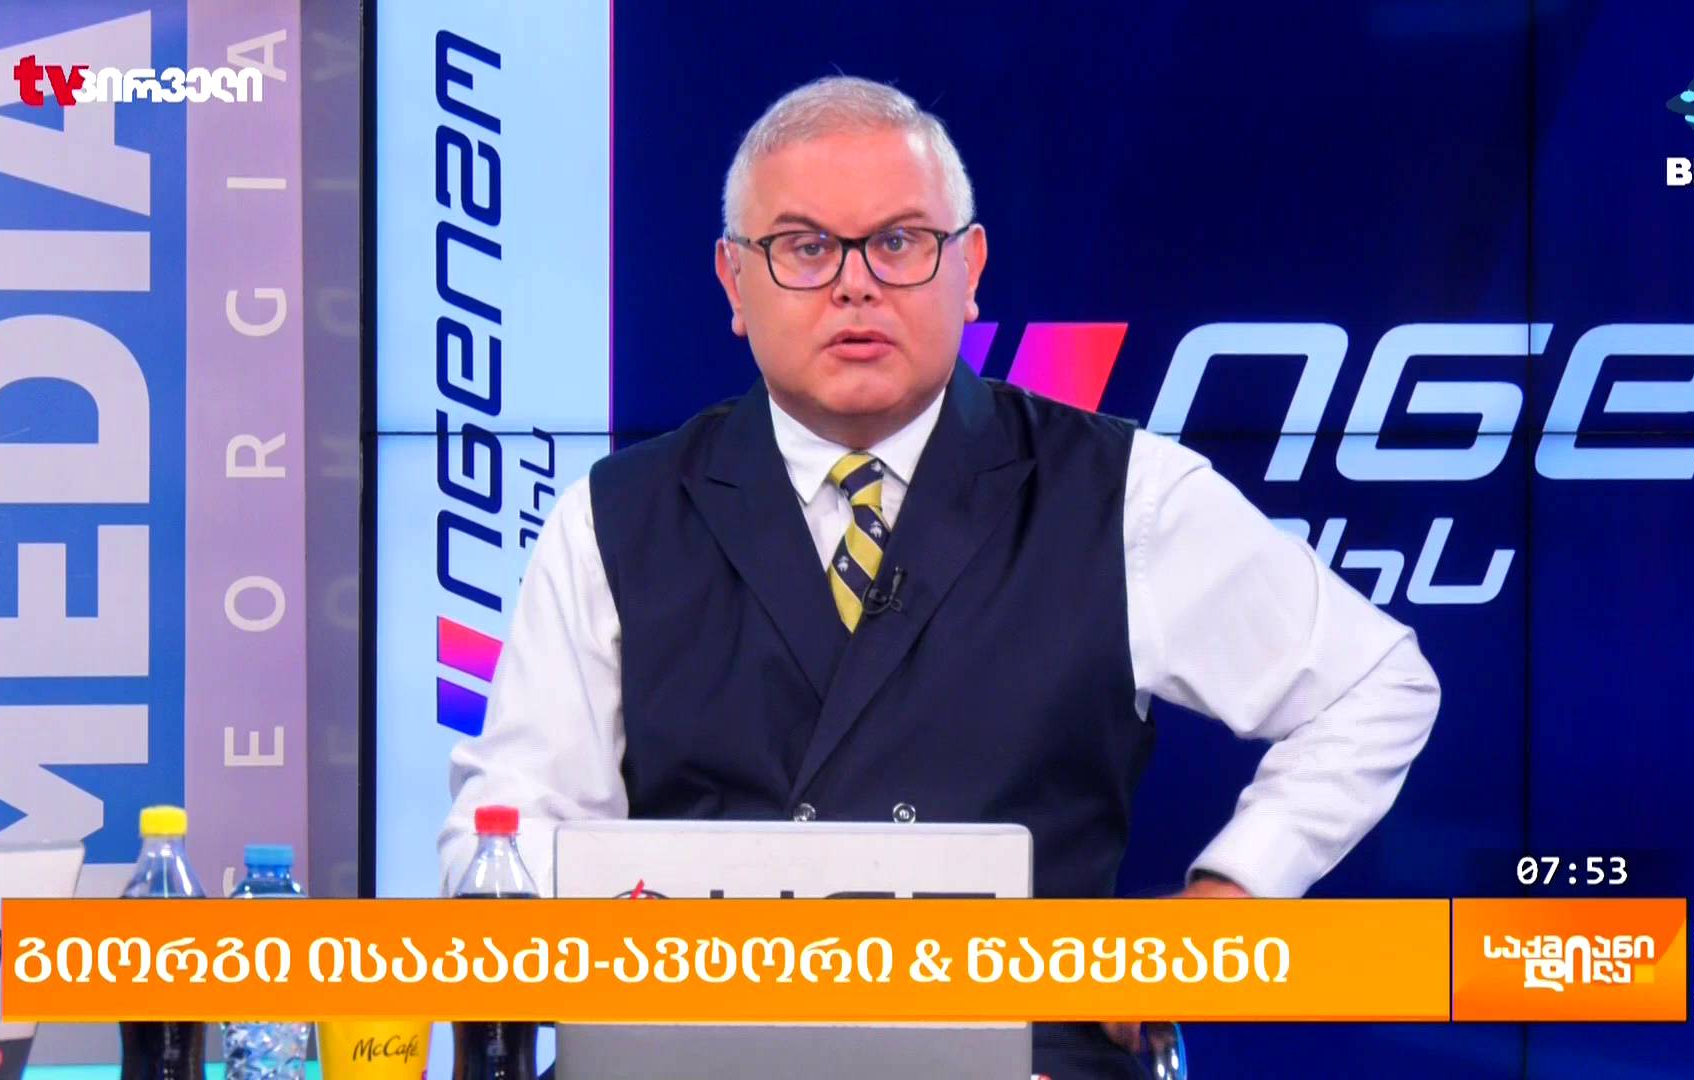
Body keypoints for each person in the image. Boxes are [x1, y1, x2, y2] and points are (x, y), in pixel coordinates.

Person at [441, 75, 1440, 1078]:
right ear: (734, 283)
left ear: (970, 268)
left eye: (899, 242)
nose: (855, 286)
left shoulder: (1123, 492)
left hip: (1022, 1053)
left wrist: (1230, 901)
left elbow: (1376, 685)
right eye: (804, 248)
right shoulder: (615, 516)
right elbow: (510, 833)